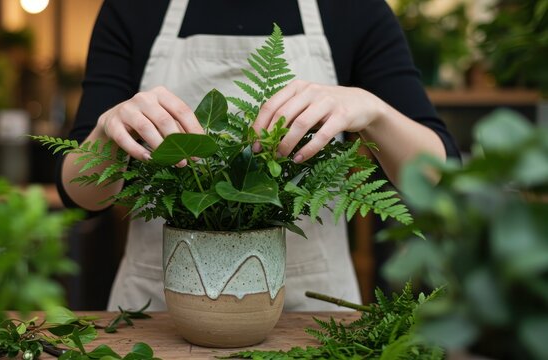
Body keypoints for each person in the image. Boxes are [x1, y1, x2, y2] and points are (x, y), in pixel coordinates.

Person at [56, 0, 460, 311]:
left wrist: (374, 110)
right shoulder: (133, 8)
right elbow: (81, 197)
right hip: (158, 314)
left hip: (311, 317)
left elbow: (439, 175)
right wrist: (111, 127)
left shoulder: (353, 7)